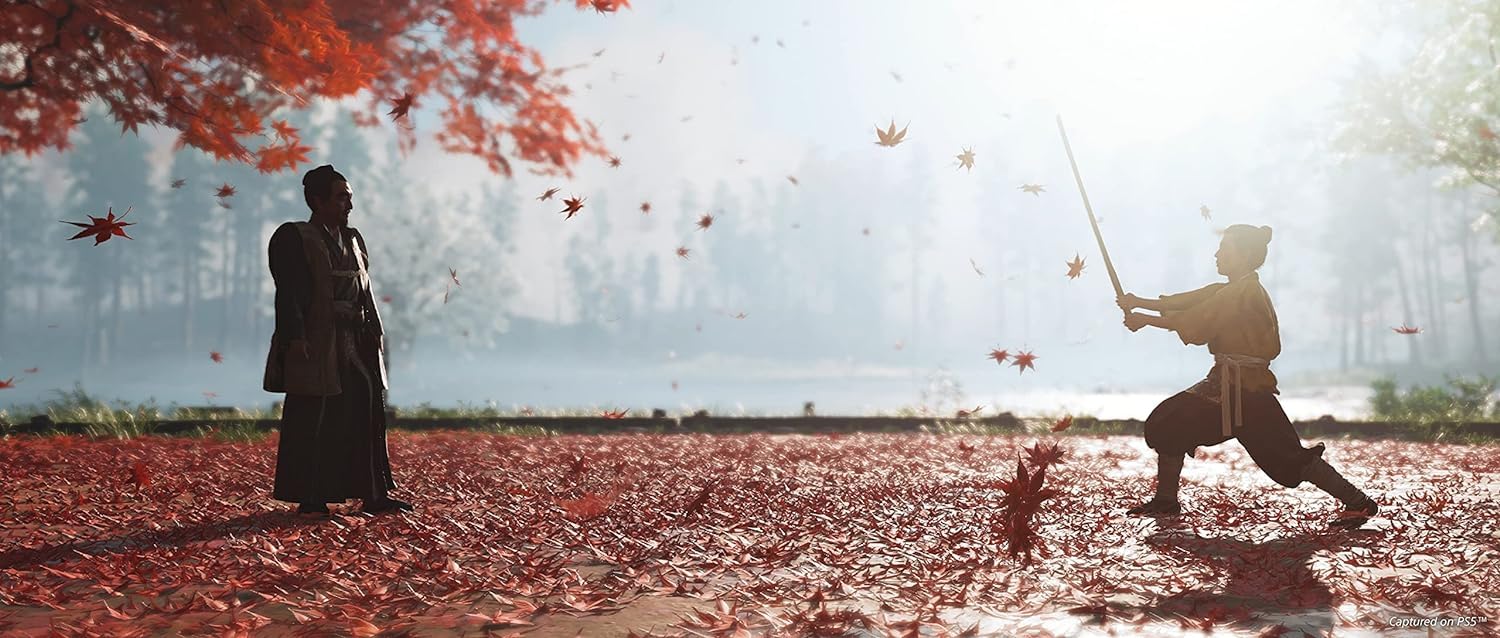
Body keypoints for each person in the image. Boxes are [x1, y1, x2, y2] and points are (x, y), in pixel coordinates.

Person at [1116, 224, 1378, 529]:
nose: (1217, 254)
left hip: (1246, 391)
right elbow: (1187, 302)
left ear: (1243, 256)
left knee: (1287, 459)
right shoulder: (1232, 289)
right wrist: (1138, 302)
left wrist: (1144, 319)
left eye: (1225, 249)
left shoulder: (1243, 292)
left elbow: (1197, 318)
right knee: (1169, 421)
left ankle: (1358, 503)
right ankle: (1166, 501)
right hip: (1227, 386)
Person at [263, 164, 412, 516]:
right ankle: (311, 497)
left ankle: (372, 493)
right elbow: (290, 293)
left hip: (355, 341)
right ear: (317, 201)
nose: (348, 205)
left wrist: (372, 328)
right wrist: (295, 337)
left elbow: (365, 290)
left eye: (349, 197)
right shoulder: (297, 238)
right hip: (318, 343)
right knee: (316, 415)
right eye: (341, 197)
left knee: (366, 407)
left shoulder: (354, 239)